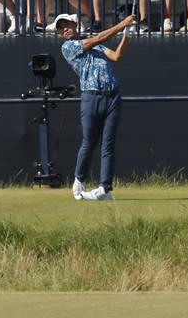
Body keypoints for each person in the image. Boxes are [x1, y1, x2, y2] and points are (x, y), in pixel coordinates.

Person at [58, 11, 136, 201]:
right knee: (89, 142)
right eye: (61, 29)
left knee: (108, 145)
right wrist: (122, 23)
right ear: (60, 35)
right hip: (90, 98)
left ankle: (104, 189)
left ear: (75, 25)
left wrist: (128, 34)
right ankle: (79, 179)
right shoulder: (69, 47)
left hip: (112, 97)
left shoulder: (96, 46)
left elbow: (117, 56)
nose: (65, 29)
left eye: (68, 25)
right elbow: (101, 36)